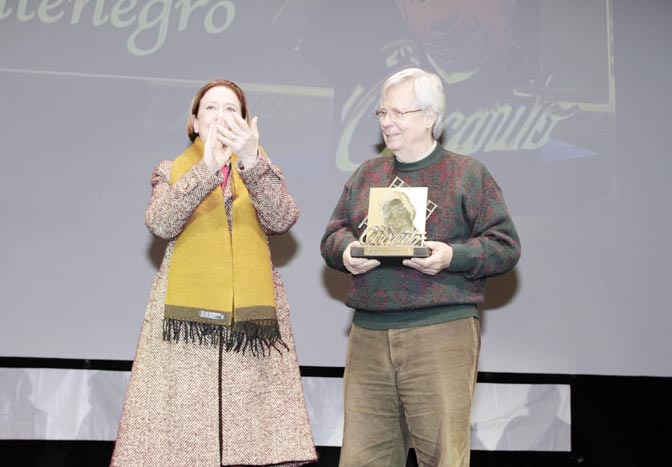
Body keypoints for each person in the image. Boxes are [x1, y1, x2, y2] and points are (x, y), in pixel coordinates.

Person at [320, 68, 521, 467]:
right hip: (369, 334)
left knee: (443, 456)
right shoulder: (366, 175)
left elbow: (505, 246)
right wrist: (346, 253)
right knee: (362, 457)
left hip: (441, 331)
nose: (387, 122)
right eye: (381, 113)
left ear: (430, 117)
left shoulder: (468, 174)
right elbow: (332, 236)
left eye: (398, 113)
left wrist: (452, 257)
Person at [111, 79, 317, 467]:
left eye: (230, 109)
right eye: (210, 108)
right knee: (182, 445)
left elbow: (283, 217)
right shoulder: (171, 170)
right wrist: (206, 170)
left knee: (251, 444)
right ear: (193, 121)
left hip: (247, 329)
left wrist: (252, 162)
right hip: (185, 328)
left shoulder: (261, 168)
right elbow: (160, 222)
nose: (220, 116)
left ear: (244, 122)